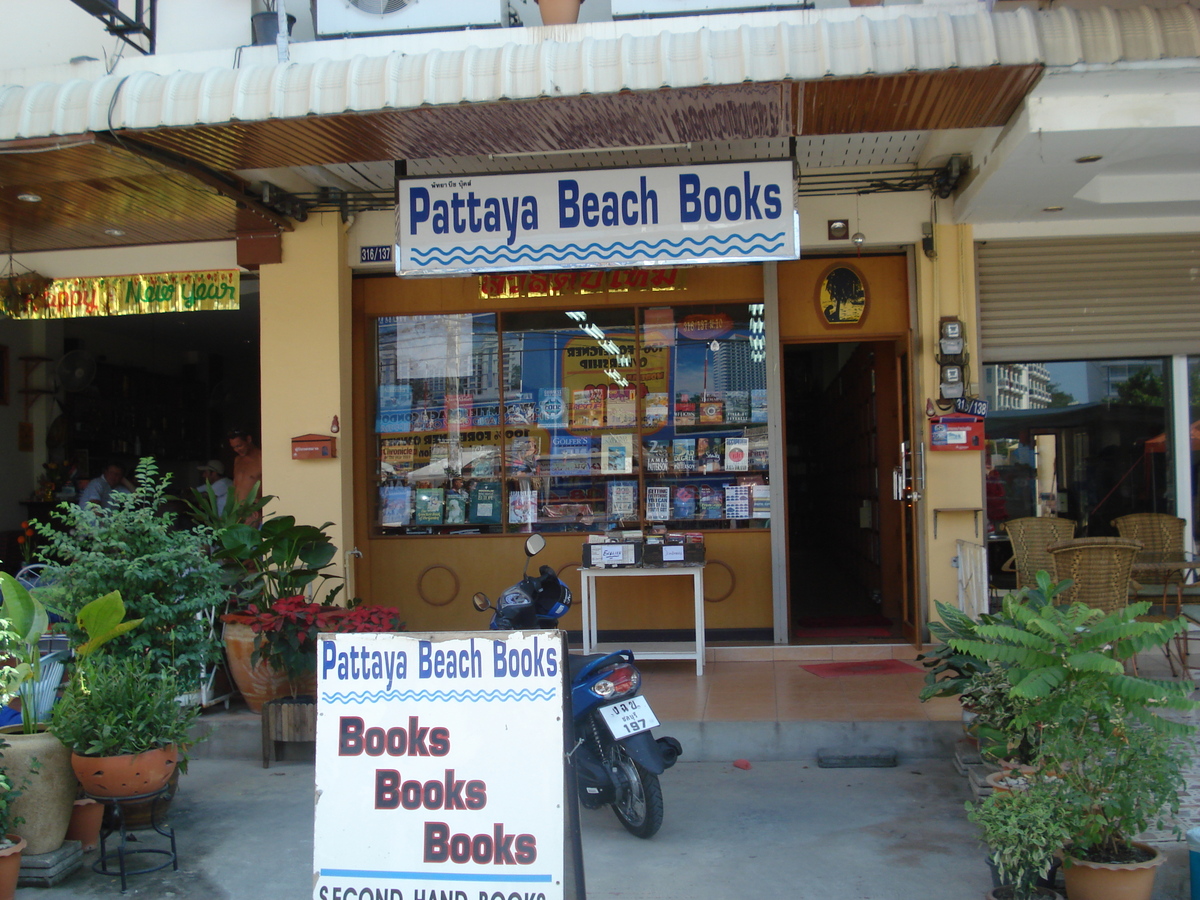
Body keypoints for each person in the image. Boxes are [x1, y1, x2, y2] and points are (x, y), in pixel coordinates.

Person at [228, 428, 264, 515]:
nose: (237, 450)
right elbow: (235, 485)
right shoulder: (237, 459)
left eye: (239, 446)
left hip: (253, 511)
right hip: (236, 510)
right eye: (234, 447)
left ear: (248, 439)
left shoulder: (261, 458)